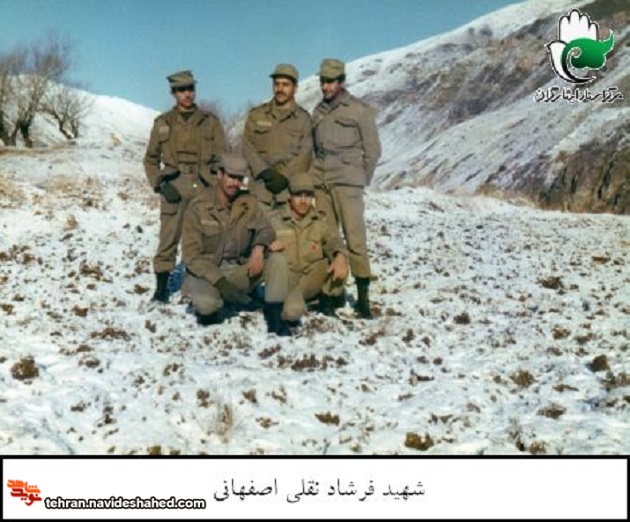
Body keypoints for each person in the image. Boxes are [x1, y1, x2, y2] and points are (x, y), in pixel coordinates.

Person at [182, 153, 291, 336]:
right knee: (207, 306)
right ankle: (218, 303)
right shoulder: (198, 207)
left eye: (239, 179)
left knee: (277, 259)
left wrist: (258, 248)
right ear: (220, 174)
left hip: (237, 269)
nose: (235, 183)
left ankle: (275, 316)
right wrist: (221, 283)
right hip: (208, 273)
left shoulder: (248, 203)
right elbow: (191, 256)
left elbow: (266, 229)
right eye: (231, 177)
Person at [144, 70, 226, 303]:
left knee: (206, 237)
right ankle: (161, 288)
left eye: (190, 89)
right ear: (173, 93)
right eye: (181, 90)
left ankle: (199, 283)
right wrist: (160, 184)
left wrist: (217, 184)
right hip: (174, 185)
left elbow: (222, 157)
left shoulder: (210, 122)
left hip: (204, 185)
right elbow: (150, 159)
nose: (187, 94)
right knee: (168, 237)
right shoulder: (163, 123)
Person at [311, 58, 381, 319]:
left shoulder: (359, 110)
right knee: (329, 238)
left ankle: (363, 298)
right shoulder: (318, 111)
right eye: (323, 82)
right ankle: (332, 294)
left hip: (348, 183)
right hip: (322, 183)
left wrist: (359, 178)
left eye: (330, 82)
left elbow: (372, 150)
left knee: (355, 240)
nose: (325, 87)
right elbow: (314, 149)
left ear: (341, 82)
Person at [269, 173, 349, 322]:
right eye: (298, 195)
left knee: (340, 259)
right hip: (288, 282)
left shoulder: (320, 220)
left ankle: (326, 301)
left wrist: (340, 255)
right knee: (292, 313)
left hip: (311, 277)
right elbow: (257, 244)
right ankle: (300, 301)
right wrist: (268, 248)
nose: (303, 201)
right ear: (289, 196)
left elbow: (334, 240)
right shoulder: (275, 220)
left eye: (308, 195)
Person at [242, 63, 313, 212]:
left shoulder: (304, 119)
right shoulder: (257, 115)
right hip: (260, 187)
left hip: (289, 191)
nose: (280, 89)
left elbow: (305, 153)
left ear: (295, 88)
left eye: (285, 85)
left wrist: (284, 176)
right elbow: (247, 145)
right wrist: (264, 172)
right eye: (276, 84)